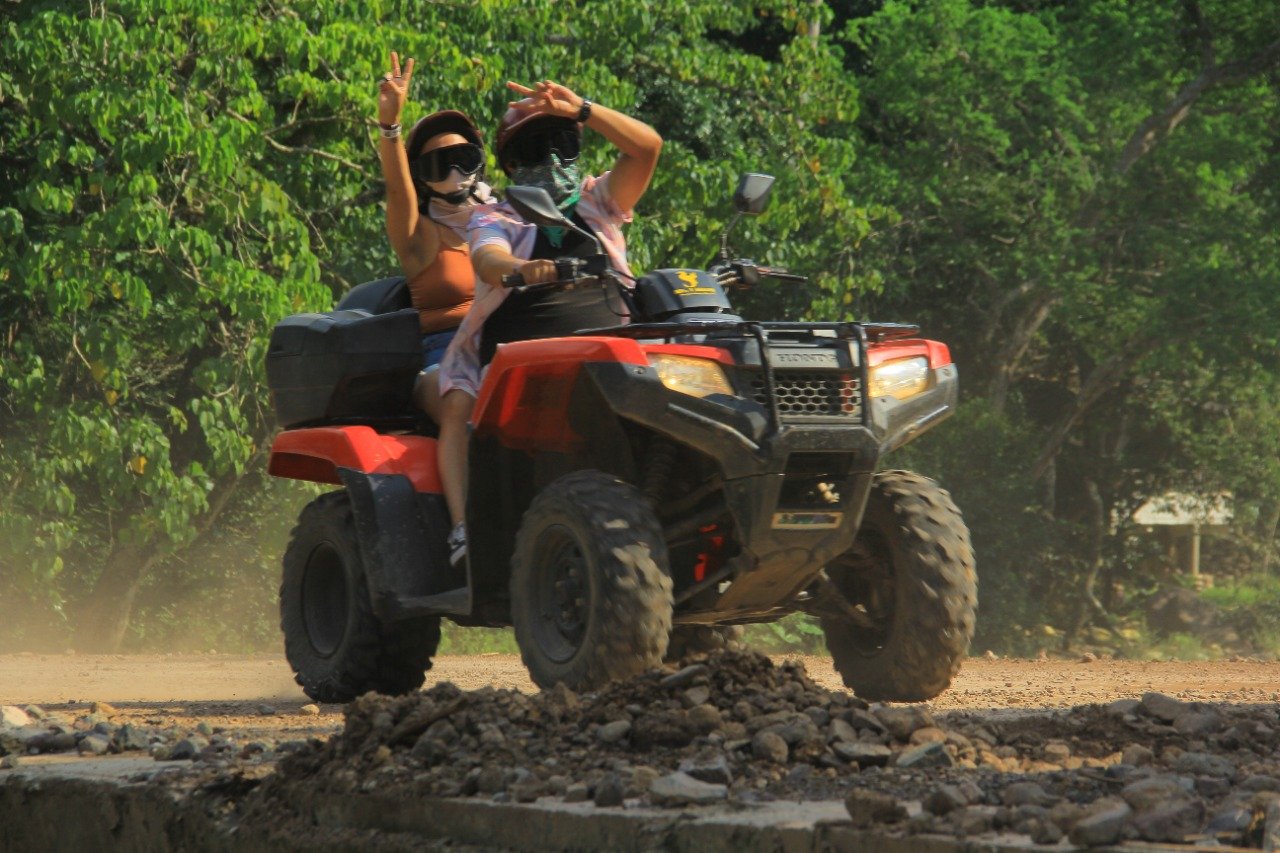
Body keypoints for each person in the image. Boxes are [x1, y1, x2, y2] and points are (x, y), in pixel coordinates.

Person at [435, 78, 663, 565]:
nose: (554, 157)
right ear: (512, 165)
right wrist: (520, 271)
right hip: (513, 358)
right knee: (455, 403)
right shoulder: (495, 217)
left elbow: (647, 148)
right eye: (538, 147)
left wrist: (583, 108)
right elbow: (487, 260)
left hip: (609, 353)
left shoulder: (598, 203)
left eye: (563, 143)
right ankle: (462, 529)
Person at [376, 51, 492, 555]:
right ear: (423, 175)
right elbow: (398, 191)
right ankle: (463, 529)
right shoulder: (419, 234)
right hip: (441, 358)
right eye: (438, 163)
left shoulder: (505, 221)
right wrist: (390, 125)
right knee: (461, 401)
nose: (453, 172)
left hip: (504, 349)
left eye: (462, 159)